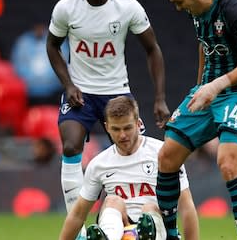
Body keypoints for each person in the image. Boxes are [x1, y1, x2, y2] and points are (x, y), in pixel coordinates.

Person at [46, 0, 170, 238]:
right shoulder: (67, 7)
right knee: (71, 146)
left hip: (117, 93)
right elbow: (52, 45)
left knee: (134, 149)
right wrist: (68, 84)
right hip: (81, 93)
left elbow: (152, 49)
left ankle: (142, 222)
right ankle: (79, 234)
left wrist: (160, 98)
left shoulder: (127, 7)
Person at [157, 0, 237, 240]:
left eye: (179, 2)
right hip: (209, 90)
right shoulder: (197, 9)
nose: (178, 9)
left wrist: (216, 85)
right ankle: (172, 236)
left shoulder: (233, 7)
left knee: (228, 163)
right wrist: (200, 86)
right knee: (167, 156)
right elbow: (204, 44)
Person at [58, 96, 199, 240]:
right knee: (112, 201)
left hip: (161, 230)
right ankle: (109, 237)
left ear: (138, 124)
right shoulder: (99, 164)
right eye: (116, 129)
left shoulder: (164, 154)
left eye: (127, 128)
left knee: (150, 208)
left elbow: (186, 207)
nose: (122, 135)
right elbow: (77, 215)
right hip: (121, 230)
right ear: (107, 127)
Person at [11, 23, 67, 105]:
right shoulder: (23, 42)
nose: (39, 29)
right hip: (29, 93)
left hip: (53, 92)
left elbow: (63, 63)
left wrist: (49, 81)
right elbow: (18, 66)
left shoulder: (56, 40)